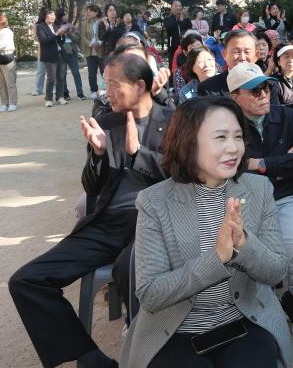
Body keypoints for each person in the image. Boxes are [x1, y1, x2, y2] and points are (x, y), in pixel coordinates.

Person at [9, 53, 174, 368]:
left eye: (114, 84)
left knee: (131, 268)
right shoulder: (107, 122)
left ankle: (150, 351)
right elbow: (93, 187)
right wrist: (98, 154)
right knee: (26, 280)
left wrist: (138, 153)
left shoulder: (175, 120)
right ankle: (91, 359)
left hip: (152, 224)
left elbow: (182, 173)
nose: (106, 92)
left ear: (140, 86)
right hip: (106, 224)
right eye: (105, 84)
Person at [123, 96, 291, 368]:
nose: (233, 148)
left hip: (244, 320)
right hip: (175, 330)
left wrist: (245, 245)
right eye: (221, 137)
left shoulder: (259, 190)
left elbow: (276, 271)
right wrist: (217, 259)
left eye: (238, 136)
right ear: (188, 142)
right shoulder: (154, 202)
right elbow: (151, 293)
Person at [227, 62, 293, 340]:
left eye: (267, 87)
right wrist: (282, 162)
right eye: (254, 91)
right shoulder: (225, 123)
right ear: (235, 97)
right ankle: (245, 309)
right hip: (242, 202)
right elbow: (230, 167)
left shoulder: (288, 117)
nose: (264, 94)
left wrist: (260, 163)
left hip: (286, 198)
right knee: (233, 258)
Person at [197, 30, 257, 97]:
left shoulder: (267, 85)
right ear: (224, 55)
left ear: (256, 55)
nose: (242, 58)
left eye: (247, 52)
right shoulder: (208, 88)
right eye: (236, 52)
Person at [36, 8, 66, 107]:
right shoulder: (40, 27)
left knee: (61, 77)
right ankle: (48, 99)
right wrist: (56, 34)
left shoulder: (56, 26)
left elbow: (61, 42)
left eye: (54, 15)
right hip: (49, 55)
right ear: (44, 16)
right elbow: (44, 40)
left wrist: (61, 36)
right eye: (50, 15)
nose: (53, 17)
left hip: (60, 54)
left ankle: (60, 97)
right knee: (51, 78)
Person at [55, 9, 86, 101]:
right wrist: (61, 33)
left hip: (72, 52)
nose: (67, 17)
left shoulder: (71, 26)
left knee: (76, 73)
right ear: (60, 16)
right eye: (65, 15)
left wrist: (70, 33)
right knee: (62, 74)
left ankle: (80, 93)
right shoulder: (55, 26)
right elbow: (54, 38)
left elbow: (78, 38)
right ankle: (65, 93)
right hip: (61, 52)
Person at [80, 4, 104, 99]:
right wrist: (90, 43)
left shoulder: (103, 22)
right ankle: (93, 90)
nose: (88, 13)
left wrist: (100, 42)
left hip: (101, 51)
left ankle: (104, 90)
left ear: (96, 12)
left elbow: (105, 35)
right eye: (87, 11)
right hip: (90, 51)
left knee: (104, 72)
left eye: (90, 11)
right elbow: (83, 37)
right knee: (91, 73)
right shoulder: (85, 23)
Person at [163, 0, 191, 69]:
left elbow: (189, 27)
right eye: (176, 6)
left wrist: (186, 17)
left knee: (185, 65)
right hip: (173, 46)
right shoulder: (168, 18)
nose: (178, 7)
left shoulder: (184, 18)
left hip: (184, 46)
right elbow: (169, 28)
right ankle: (172, 79)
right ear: (171, 7)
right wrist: (179, 21)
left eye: (180, 6)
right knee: (173, 66)